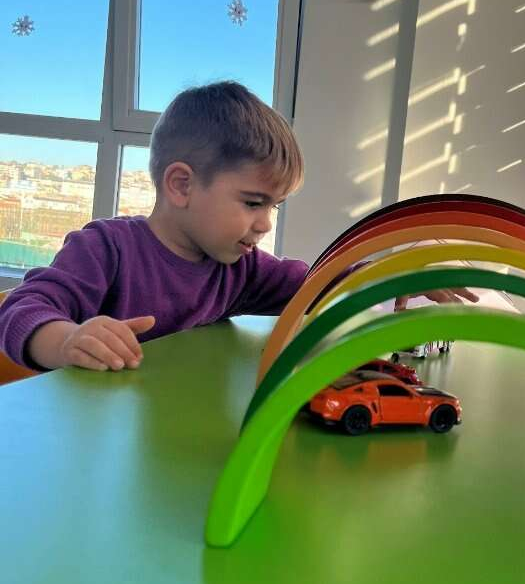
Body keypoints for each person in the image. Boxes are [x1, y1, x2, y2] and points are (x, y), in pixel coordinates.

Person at [0, 82, 477, 373]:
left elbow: (317, 285)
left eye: (275, 206)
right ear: (182, 185)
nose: (265, 223)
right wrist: (67, 340)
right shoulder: (105, 248)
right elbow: (22, 308)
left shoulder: (239, 268)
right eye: (253, 202)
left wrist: (388, 274)